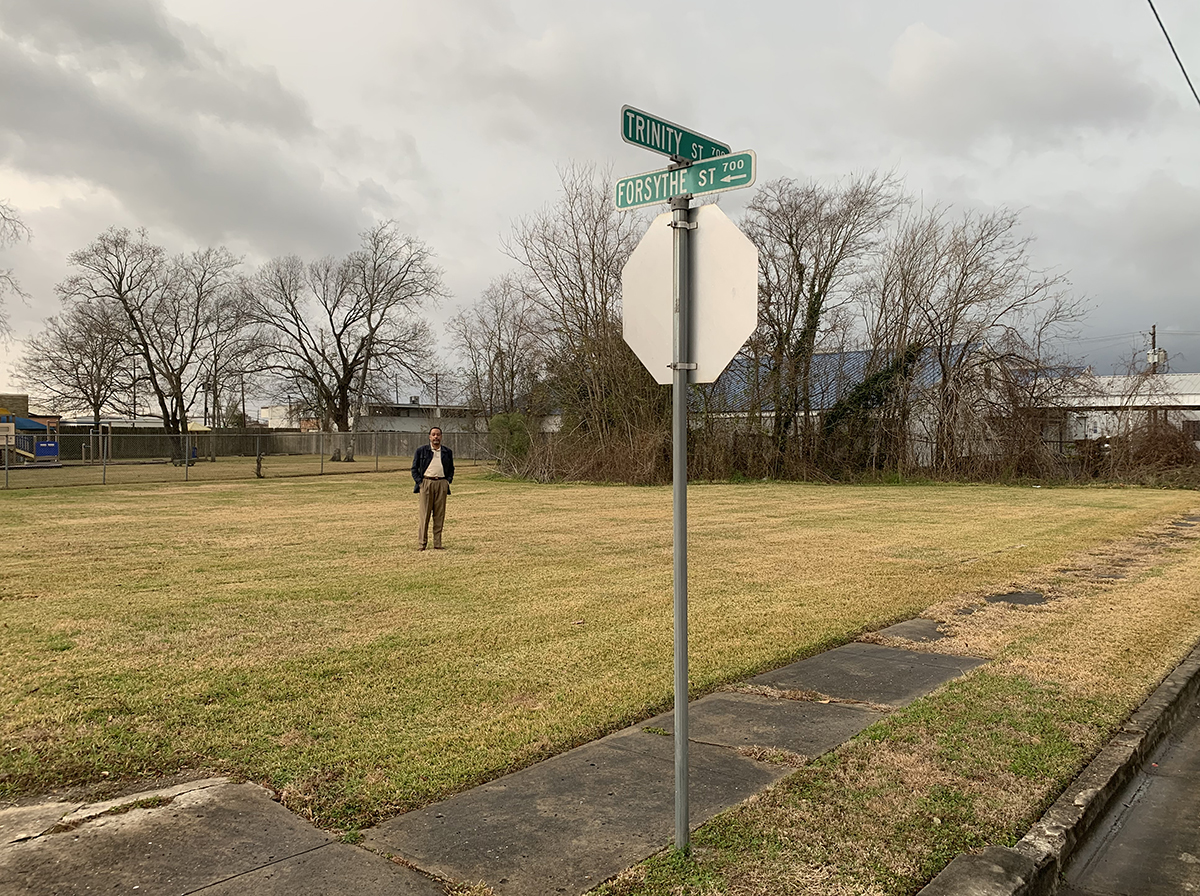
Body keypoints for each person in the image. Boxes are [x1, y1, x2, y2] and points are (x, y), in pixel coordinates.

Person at [412, 426, 454, 550]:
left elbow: (451, 469)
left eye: (438, 435)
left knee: (439, 515)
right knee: (424, 515)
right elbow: (414, 469)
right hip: (426, 483)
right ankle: (422, 544)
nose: (436, 437)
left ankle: (438, 543)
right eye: (433, 434)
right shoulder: (422, 451)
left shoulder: (447, 452)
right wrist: (420, 483)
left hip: (441, 483)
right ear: (430, 437)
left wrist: (447, 482)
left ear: (441, 437)